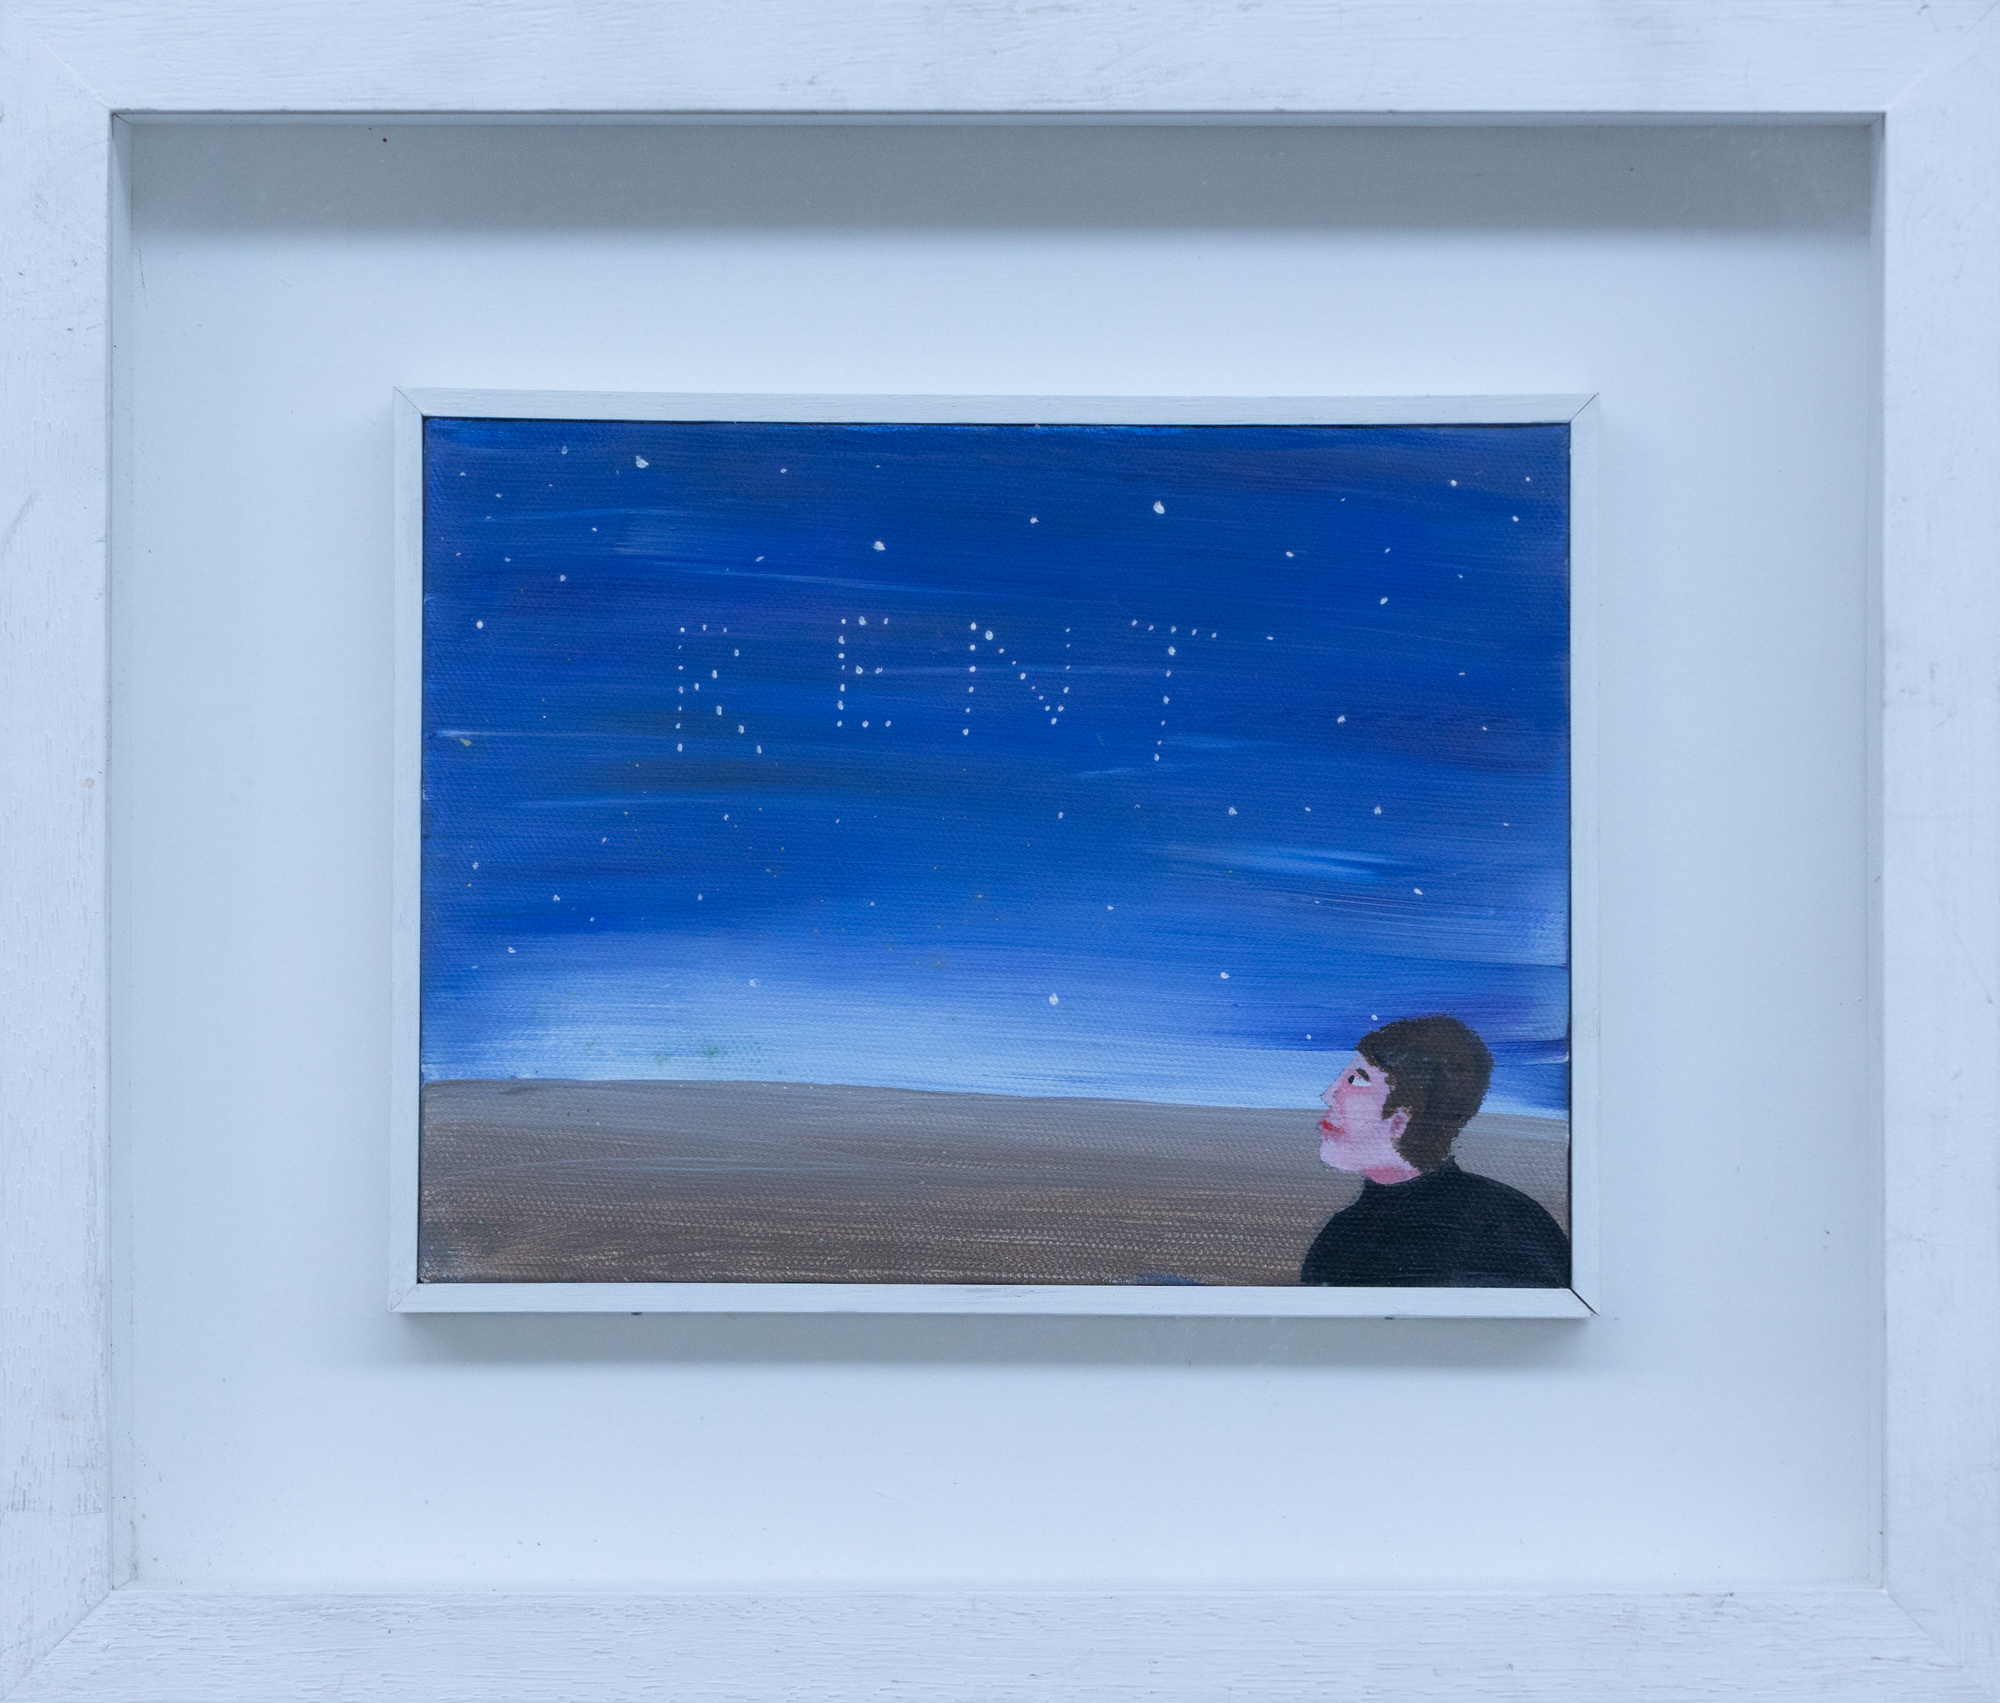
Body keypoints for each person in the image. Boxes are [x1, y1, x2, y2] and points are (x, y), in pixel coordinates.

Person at [1300, 1014, 1569, 1287]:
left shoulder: (1510, 1228)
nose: (1329, 1094)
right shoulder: (1341, 1235)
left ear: (1406, 1114)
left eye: (1357, 1081)